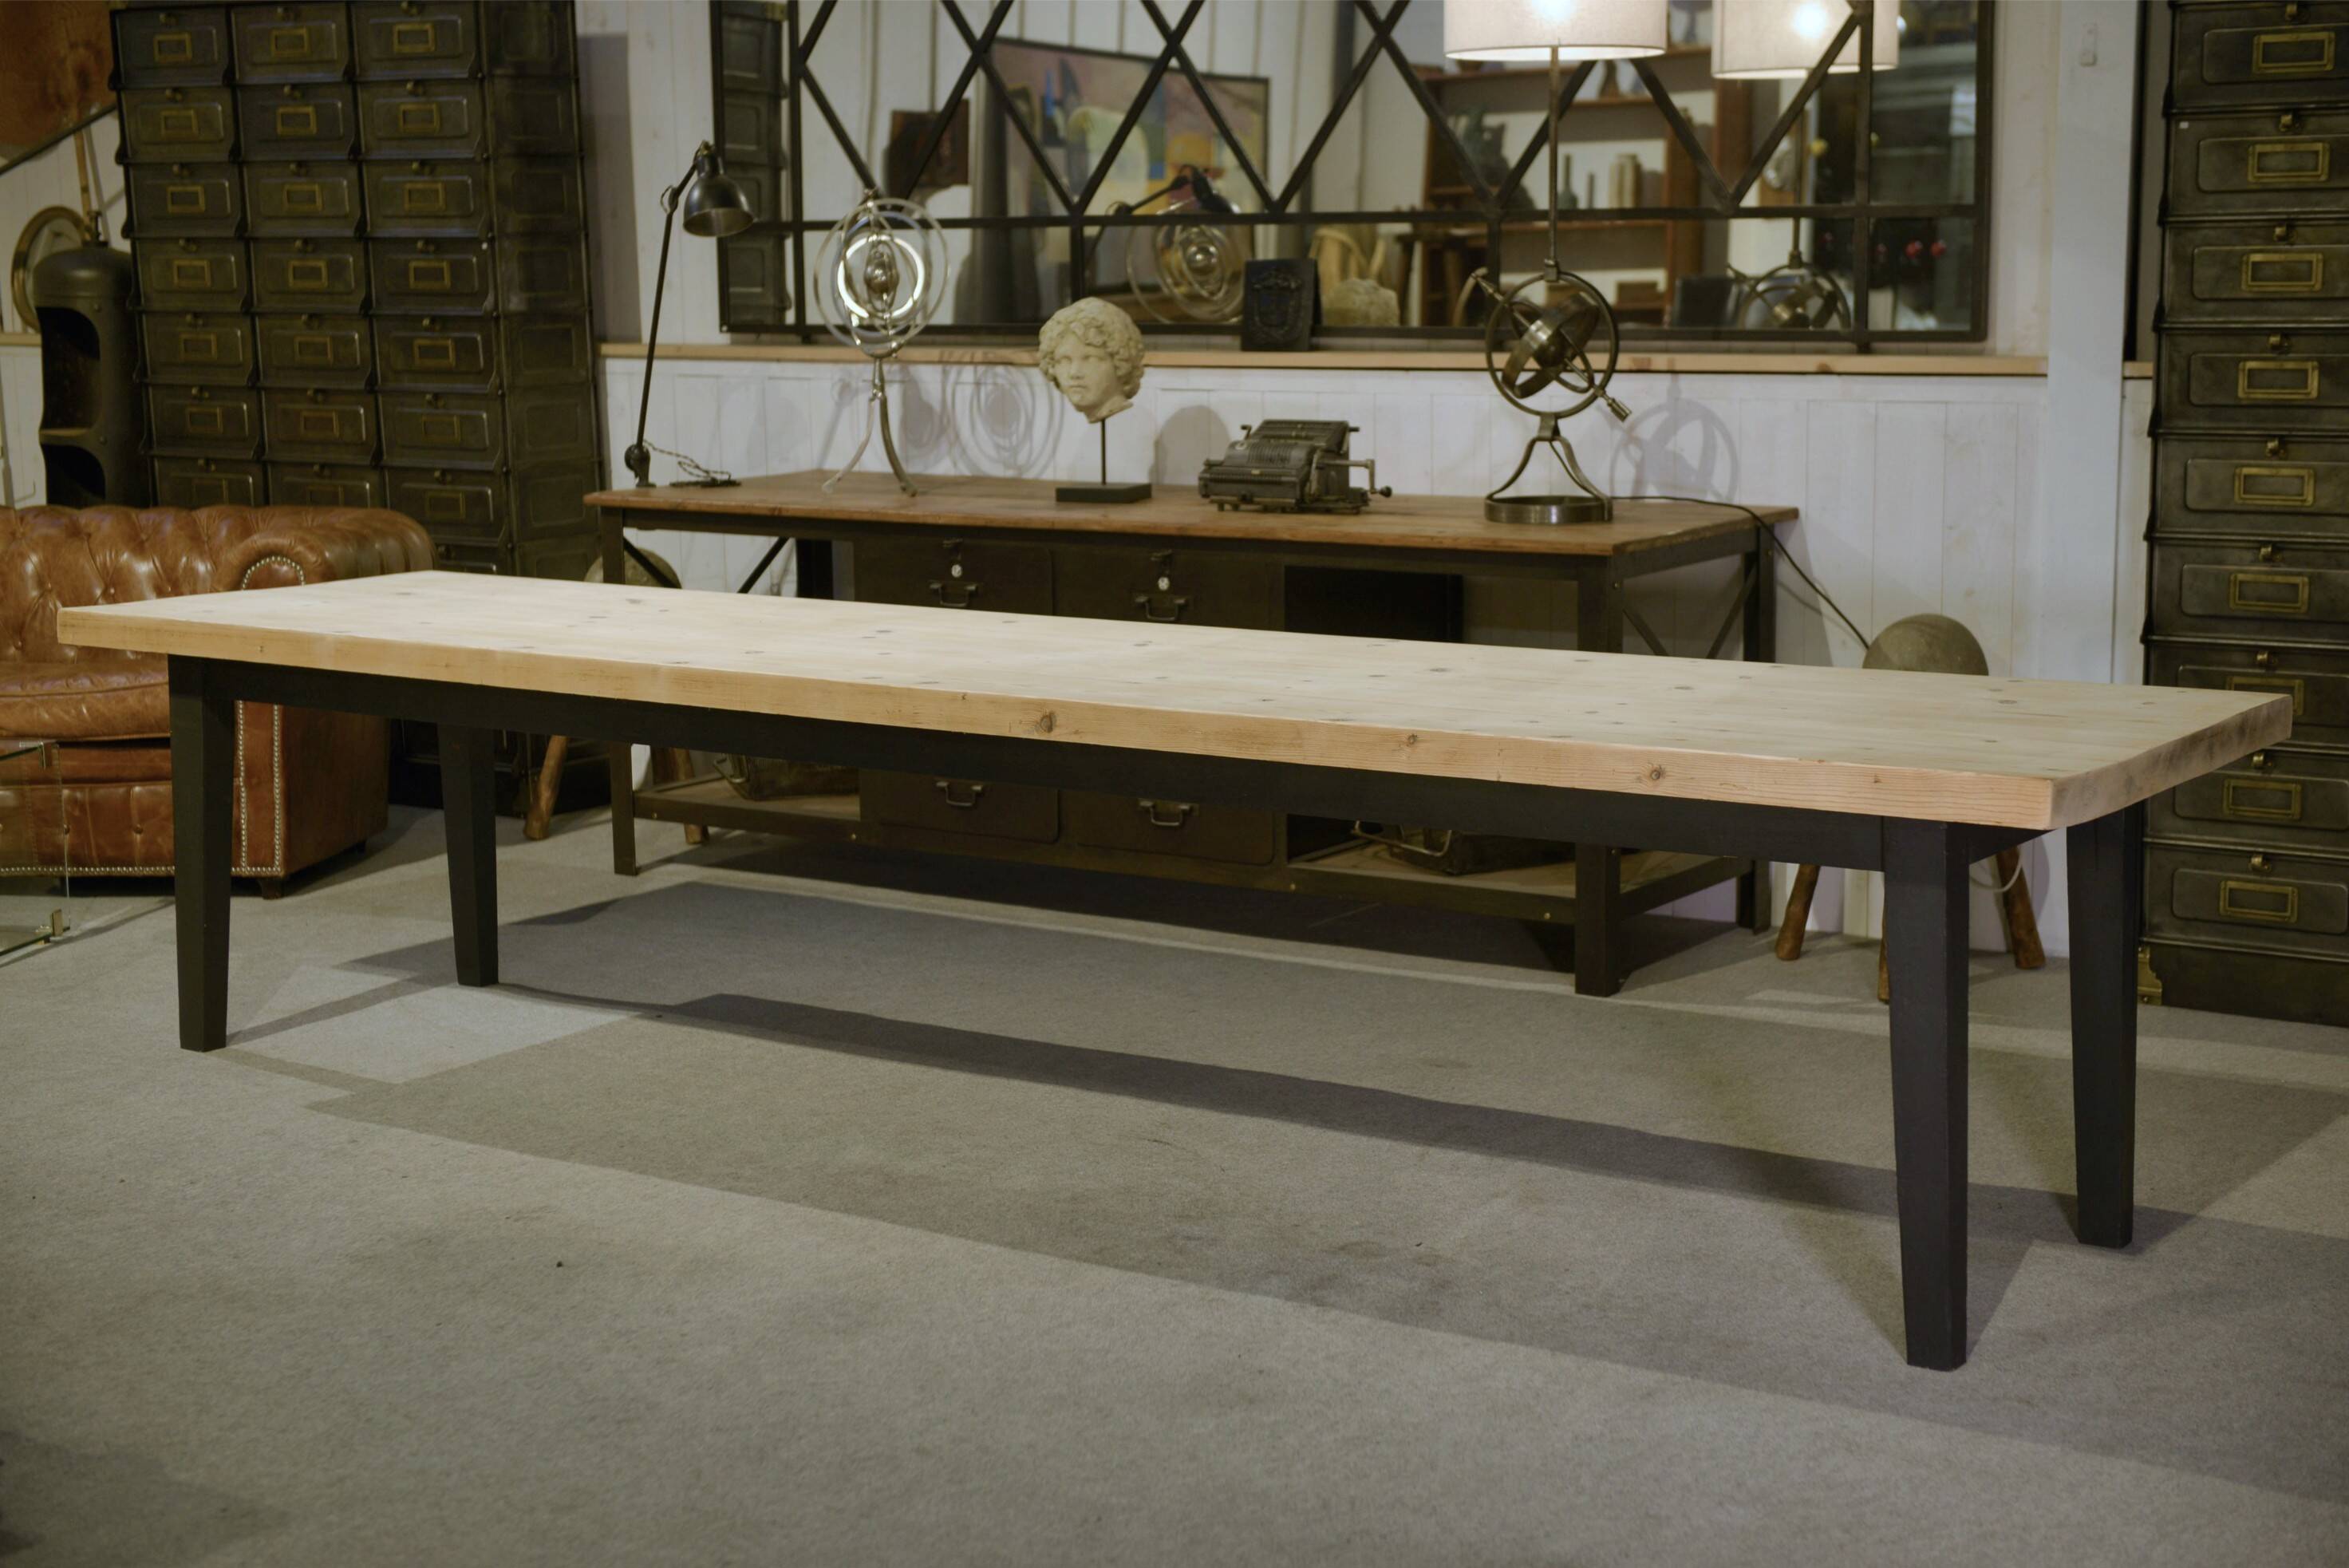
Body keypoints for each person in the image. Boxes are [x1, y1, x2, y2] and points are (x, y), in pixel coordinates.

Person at [1036, 297, 1144, 424]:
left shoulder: (1130, 428)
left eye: (1090, 359)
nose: (1074, 373)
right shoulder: (1090, 437)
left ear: (1121, 363)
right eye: (1064, 360)